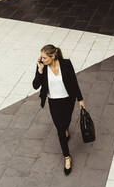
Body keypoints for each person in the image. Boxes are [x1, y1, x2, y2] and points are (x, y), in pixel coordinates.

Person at [32, 44, 85, 176]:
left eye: (44, 58)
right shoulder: (42, 67)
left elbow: (73, 81)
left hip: (68, 100)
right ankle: (67, 157)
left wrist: (80, 99)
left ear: (53, 56)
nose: (41, 60)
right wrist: (39, 70)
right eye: (41, 57)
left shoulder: (66, 64)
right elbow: (35, 85)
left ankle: (66, 130)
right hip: (53, 102)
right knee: (60, 129)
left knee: (66, 122)